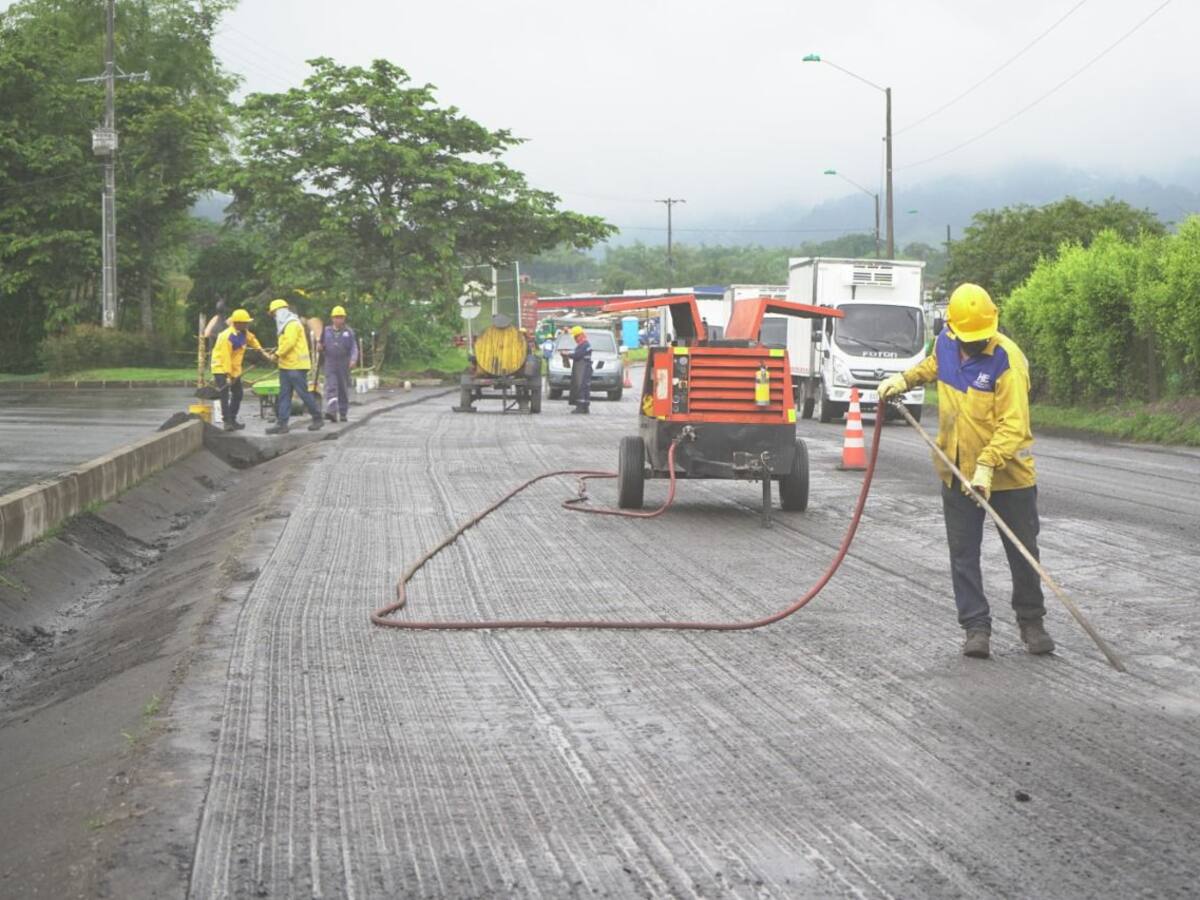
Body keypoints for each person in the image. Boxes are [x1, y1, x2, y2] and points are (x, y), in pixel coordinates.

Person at [877, 282, 1053, 660]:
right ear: (953, 328)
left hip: (1009, 479)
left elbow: (1014, 425)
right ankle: (976, 628)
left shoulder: (1009, 360)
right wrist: (905, 379)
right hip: (956, 472)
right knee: (963, 554)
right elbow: (933, 366)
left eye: (979, 338)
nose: (972, 344)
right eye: (966, 338)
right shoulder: (946, 342)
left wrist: (987, 466)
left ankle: (1031, 621)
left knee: (1022, 552)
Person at [265, 298, 324, 434]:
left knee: (303, 393)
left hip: (296, 366)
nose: (274, 317)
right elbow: (285, 343)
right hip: (286, 366)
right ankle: (282, 424)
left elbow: (289, 343)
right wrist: (277, 352)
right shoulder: (284, 325)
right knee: (284, 395)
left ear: (280, 312)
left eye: (274, 314)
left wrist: (276, 354)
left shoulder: (291, 324)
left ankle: (317, 418)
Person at [210, 308, 263, 431]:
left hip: (234, 368)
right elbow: (225, 357)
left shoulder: (244, 333)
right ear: (237, 323)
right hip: (220, 367)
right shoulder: (226, 336)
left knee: (238, 394)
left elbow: (253, 340)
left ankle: (233, 419)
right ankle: (227, 422)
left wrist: (261, 351)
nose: (247, 324)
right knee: (224, 394)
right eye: (245, 322)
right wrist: (228, 376)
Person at [320, 305, 358, 423]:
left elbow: (354, 347)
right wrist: (319, 347)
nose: (338, 320)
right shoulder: (326, 331)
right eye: (336, 317)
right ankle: (331, 411)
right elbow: (320, 344)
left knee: (342, 388)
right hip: (330, 362)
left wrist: (353, 359)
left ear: (344, 318)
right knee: (331, 387)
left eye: (341, 317)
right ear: (332, 318)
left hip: (343, 363)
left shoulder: (349, 332)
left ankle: (342, 413)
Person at [562, 325, 593, 414]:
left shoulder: (584, 345)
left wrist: (567, 354)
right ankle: (585, 407)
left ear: (580, 336)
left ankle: (580, 407)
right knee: (585, 387)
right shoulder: (583, 344)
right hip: (584, 368)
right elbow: (576, 352)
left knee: (581, 387)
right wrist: (569, 353)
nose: (575, 339)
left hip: (583, 369)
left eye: (575, 337)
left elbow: (577, 355)